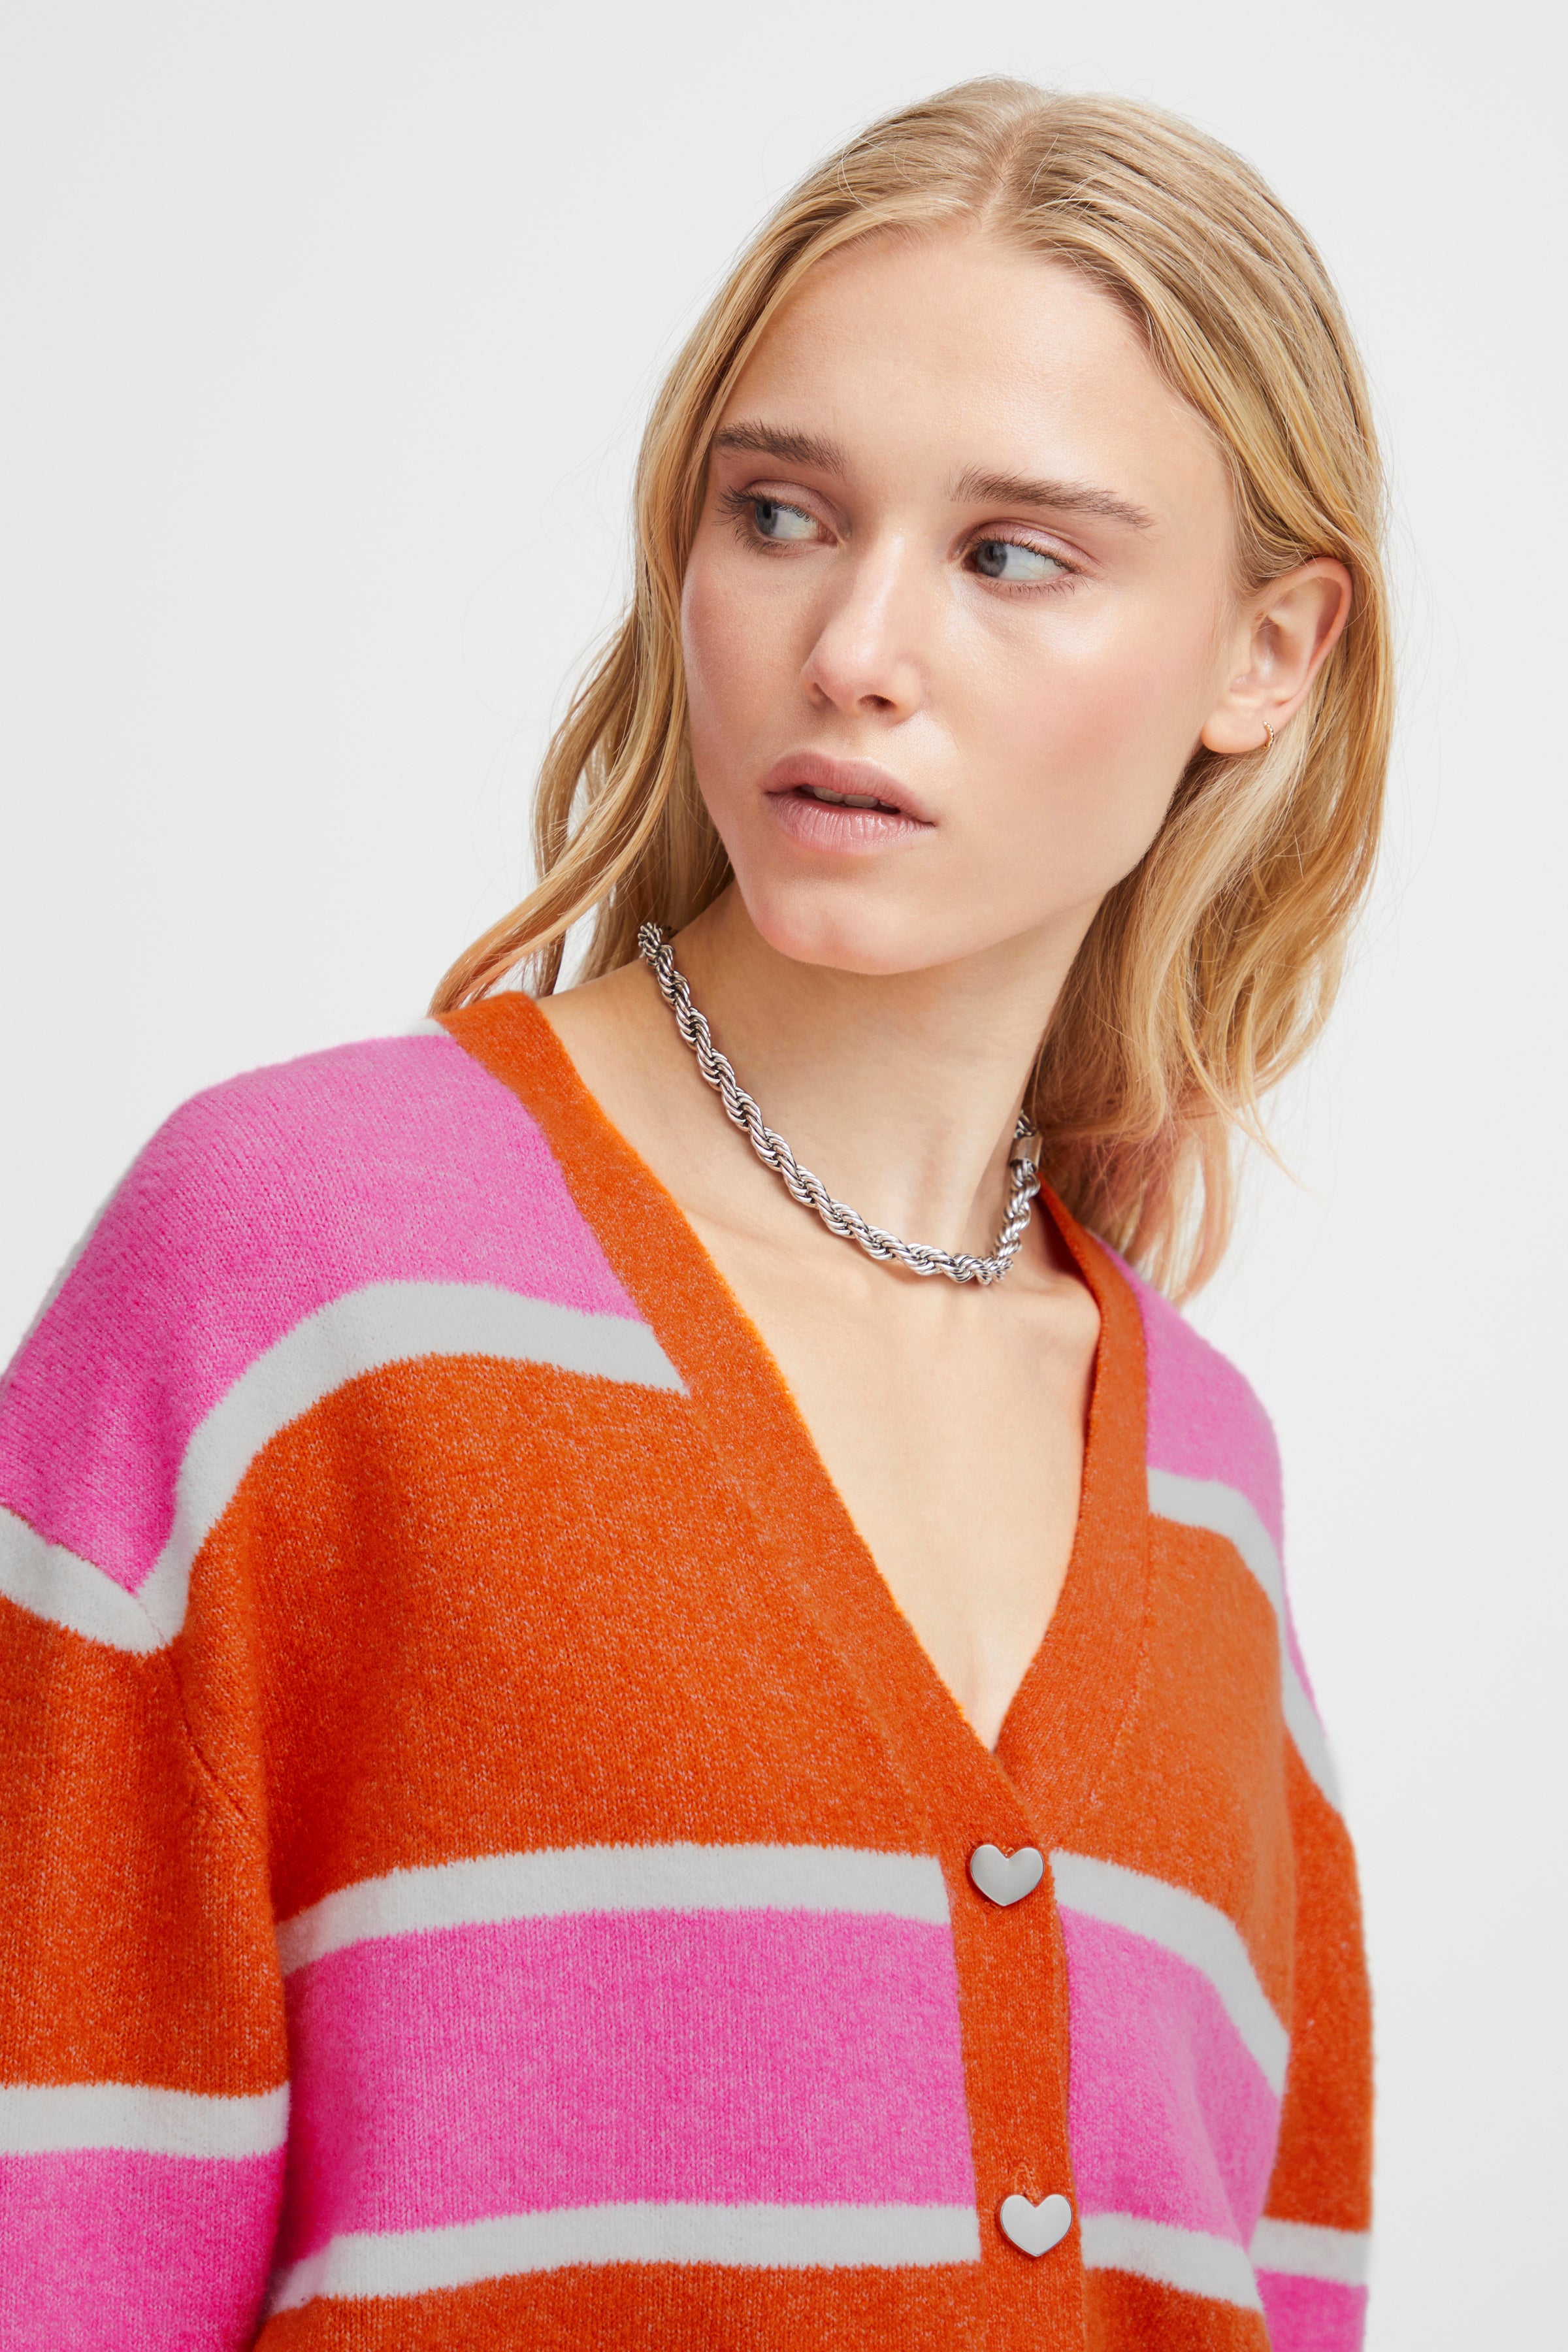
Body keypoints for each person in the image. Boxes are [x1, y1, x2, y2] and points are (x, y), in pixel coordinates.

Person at [0, 78, 1386, 2351]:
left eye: (1013, 555)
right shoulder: (296, 1277)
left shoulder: (1208, 1486)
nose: (855, 645)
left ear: (1271, 656)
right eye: (780, 513)